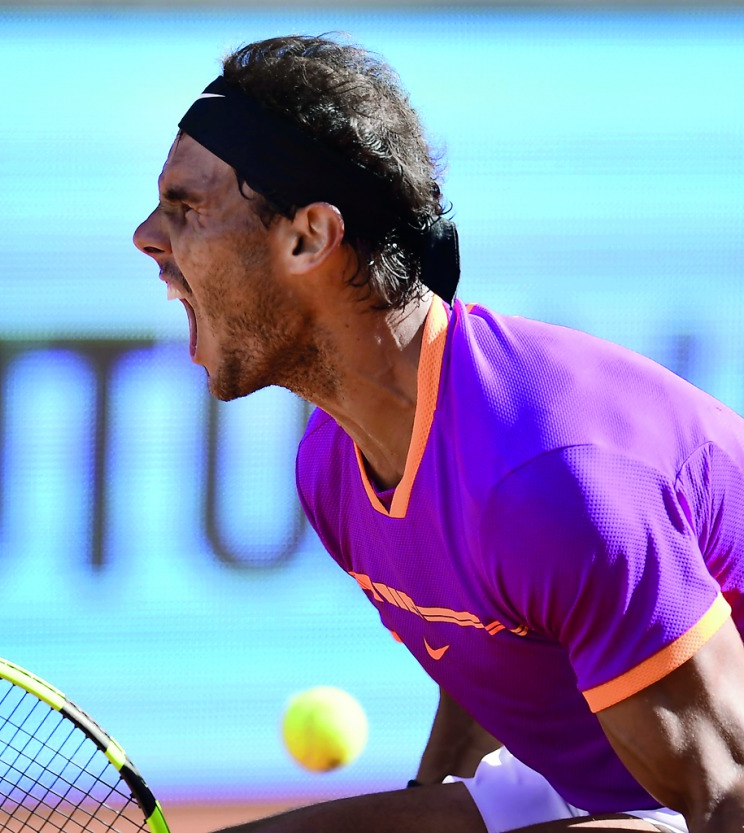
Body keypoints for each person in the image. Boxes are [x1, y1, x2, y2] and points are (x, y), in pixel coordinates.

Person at [132, 33, 744, 833]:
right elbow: (501, 647)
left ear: (309, 237)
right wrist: (431, 793)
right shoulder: (333, 465)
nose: (147, 236)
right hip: (618, 770)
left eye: (186, 208)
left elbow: (728, 794)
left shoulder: (548, 478)